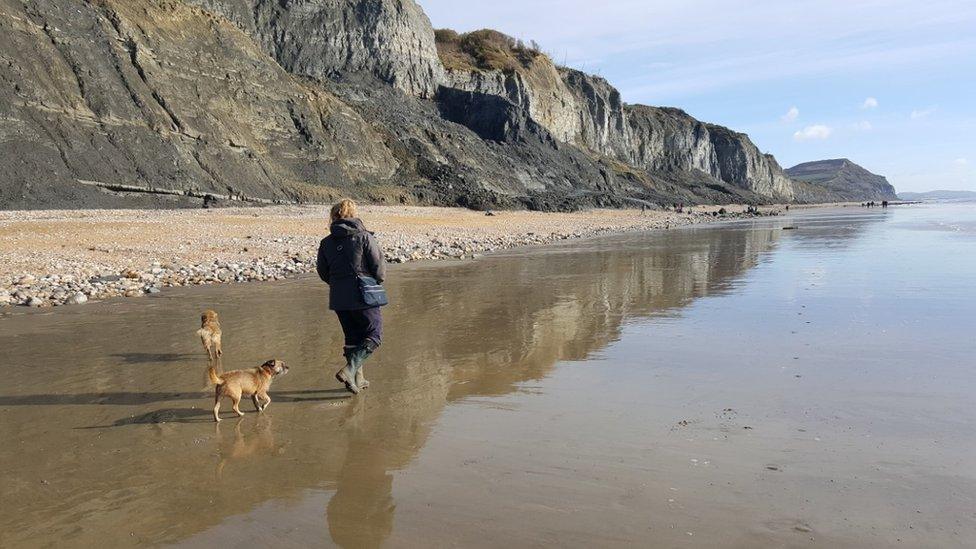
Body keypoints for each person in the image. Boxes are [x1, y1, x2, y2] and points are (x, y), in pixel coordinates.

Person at [316, 199, 386, 394]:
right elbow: (379, 268)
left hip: (339, 298)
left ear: (334, 216)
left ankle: (357, 379)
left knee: (352, 338)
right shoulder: (364, 237)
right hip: (364, 295)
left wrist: (338, 285)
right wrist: (376, 282)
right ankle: (349, 371)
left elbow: (323, 271)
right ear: (354, 214)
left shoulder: (326, 242)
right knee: (374, 335)